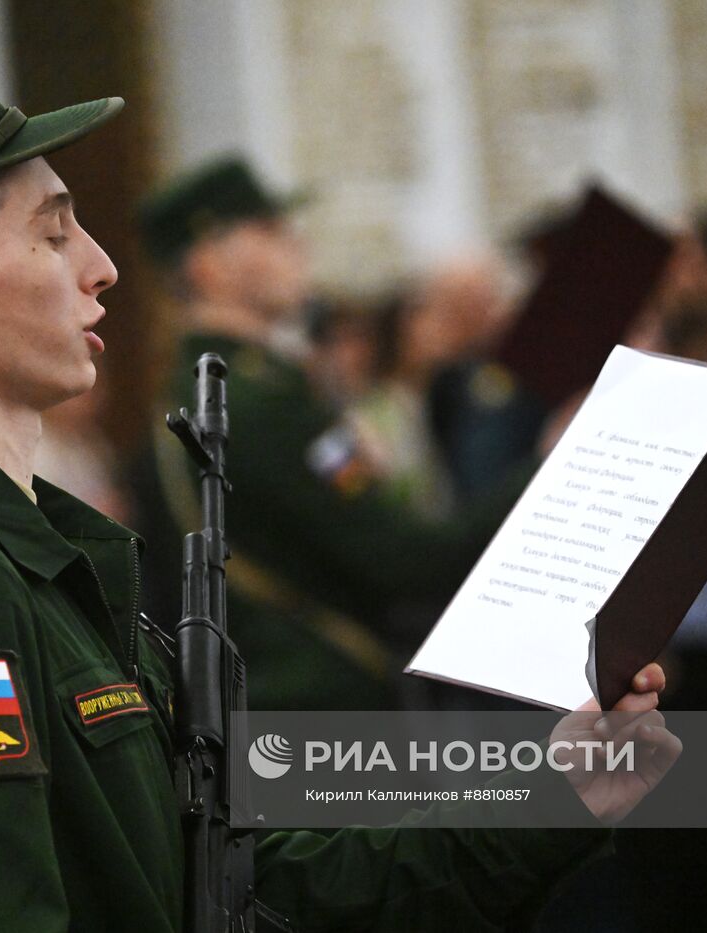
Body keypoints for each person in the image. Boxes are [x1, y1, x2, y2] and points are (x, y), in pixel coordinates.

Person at [0, 51, 679, 932]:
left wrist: (554, 801)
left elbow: (242, 879)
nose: (101, 267)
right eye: (55, 232)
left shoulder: (37, 558)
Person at [134, 159, 544, 710]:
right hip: (315, 706)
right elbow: (407, 562)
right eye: (270, 231)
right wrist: (548, 464)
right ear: (209, 263)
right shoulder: (260, 401)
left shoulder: (200, 386)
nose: (296, 244)